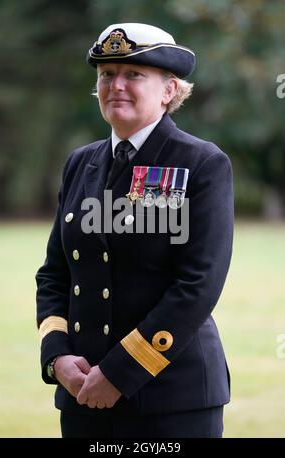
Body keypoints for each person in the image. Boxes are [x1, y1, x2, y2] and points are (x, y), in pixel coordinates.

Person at [36, 22, 234, 438]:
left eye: (133, 75)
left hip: (172, 401)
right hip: (83, 393)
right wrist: (57, 357)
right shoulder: (80, 163)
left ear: (169, 91)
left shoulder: (199, 163)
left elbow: (197, 285)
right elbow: (54, 274)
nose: (116, 85)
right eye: (106, 75)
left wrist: (121, 372)